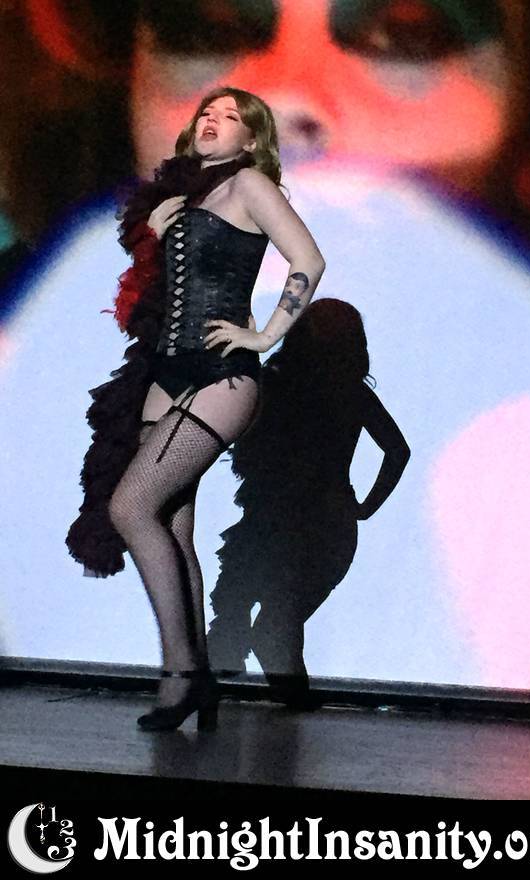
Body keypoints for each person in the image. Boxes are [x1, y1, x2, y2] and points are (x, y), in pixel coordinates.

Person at [66, 86, 326, 731]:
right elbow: (149, 297)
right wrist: (152, 237)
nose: (213, 120)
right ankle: (197, 675)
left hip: (221, 374)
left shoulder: (250, 186)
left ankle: (181, 673)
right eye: (207, 113)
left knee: (130, 507)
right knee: (172, 528)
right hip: (164, 370)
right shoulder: (181, 199)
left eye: (230, 117)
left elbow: (308, 259)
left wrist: (266, 335)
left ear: (252, 138)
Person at [207, 298, 411, 708]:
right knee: (274, 619)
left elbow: (398, 452)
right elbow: (397, 451)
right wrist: (365, 506)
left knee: (259, 614)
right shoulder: (348, 393)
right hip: (318, 522)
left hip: (283, 519)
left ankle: (252, 695)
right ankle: (284, 701)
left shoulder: (277, 384)